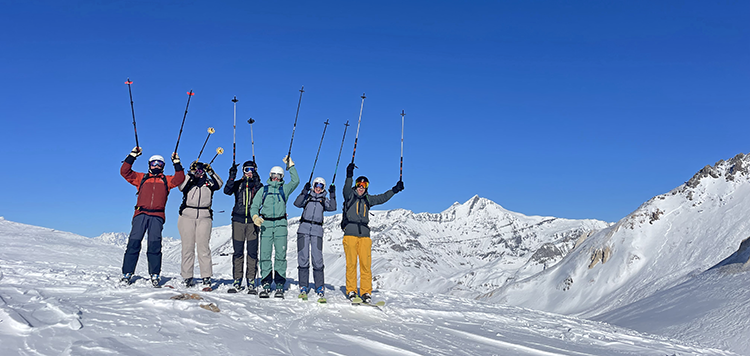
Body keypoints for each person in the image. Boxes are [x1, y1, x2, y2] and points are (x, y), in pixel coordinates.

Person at [120, 147, 185, 287]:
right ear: (149, 165)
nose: (156, 166)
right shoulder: (141, 178)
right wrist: (132, 156)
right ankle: (127, 273)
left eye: (160, 164)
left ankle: (155, 274)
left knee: (154, 245)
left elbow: (180, 178)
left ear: (163, 166)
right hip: (141, 214)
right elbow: (124, 172)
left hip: (157, 216)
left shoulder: (166, 180)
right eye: (154, 163)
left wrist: (177, 163)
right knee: (134, 243)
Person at [341, 162, 404, 303]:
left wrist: (395, 190)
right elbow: (346, 187)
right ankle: (351, 290)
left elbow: (382, 198)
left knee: (365, 265)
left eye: (365, 186)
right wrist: (349, 175)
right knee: (351, 264)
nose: (361, 188)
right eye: (359, 185)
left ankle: (365, 293)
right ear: (356, 185)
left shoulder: (368, 200)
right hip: (350, 234)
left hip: (365, 235)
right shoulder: (349, 196)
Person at [250, 156, 299, 298]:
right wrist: (255, 217)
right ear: (270, 176)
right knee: (264, 255)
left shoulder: (285, 189)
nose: (276, 178)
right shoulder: (263, 190)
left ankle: (279, 284)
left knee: (280, 256)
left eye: (278, 176)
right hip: (266, 225)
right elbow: (254, 205)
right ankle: (266, 283)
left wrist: (291, 167)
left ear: (282, 177)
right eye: (273, 175)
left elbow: (296, 181)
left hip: (280, 225)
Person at [177, 161, 223, 289]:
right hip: (187, 215)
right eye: (197, 171)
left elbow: (219, 184)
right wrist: (190, 174)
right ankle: (187, 276)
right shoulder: (189, 182)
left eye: (201, 171)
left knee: (203, 247)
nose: (199, 174)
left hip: (204, 215)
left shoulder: (209, 183)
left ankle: (206, 276)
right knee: (187, 247)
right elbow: (181, 186)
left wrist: (211, 171)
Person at [293, 177, 336, 300]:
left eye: (321, 186)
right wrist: (304, 191)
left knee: (317, 258)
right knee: (303, 257)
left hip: (317, 231)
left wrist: (333, 195)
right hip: (303, 229)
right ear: (313, 185)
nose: (318, 187)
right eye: (316, 185)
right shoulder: (307, 197)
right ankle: (303, 286)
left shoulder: (324, 200)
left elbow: (333, 207)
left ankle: (319, 286)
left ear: (323, 188)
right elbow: (296, 203)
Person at [223, 160, 263, 293]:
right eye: (247, 169)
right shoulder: (238, 184)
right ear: (243, 171)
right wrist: (231, 176)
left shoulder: (257, 185)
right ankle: (237, 279)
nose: (249, 172)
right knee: (238, 252)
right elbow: (227, 191)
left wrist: (256, 180)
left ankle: (251, 279)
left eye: (252, 170)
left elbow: (261, 194)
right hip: (238, 221)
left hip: (252, 222)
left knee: (252, 252)